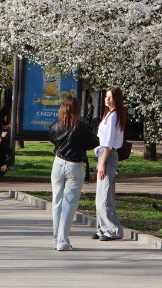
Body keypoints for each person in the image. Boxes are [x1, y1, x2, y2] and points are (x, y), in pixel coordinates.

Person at [49, 95, 99, 251]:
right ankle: (62, 241)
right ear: (77, 109)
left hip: (58, 163)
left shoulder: (56, 126)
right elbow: (93, 142)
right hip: (74, 165)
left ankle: (56, 238)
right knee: (69, 204)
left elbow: (52, 138)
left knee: (57, 202)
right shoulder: (81, 127)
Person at [93, 86, 127, 241]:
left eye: (111, 97)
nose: (107, 99)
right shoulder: (109, 115)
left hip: (107, 155)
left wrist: (102, 163)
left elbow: (108, 143)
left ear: (117, 99)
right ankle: (102, 228)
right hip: (103, 154)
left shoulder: (114, 116)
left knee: (104, 196)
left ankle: (113, 230)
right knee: (101, 194)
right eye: (106, 96)